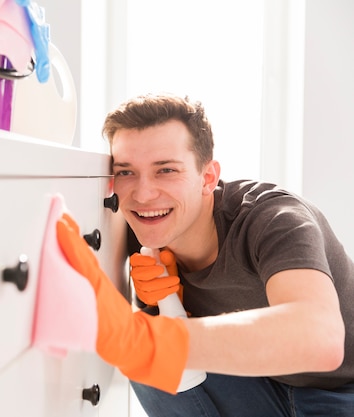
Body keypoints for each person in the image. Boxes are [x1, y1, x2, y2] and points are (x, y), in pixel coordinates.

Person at [56, 93, 354, 416]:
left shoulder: (273, 218)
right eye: (126, 172)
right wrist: (158, 310)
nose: (142, 194)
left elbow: (321, 338)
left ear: (208, 178)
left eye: (166, 170)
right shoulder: (141, 226)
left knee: (150, 348)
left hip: (341, 391)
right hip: (257, 382)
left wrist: (150, 339)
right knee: (150, 368)